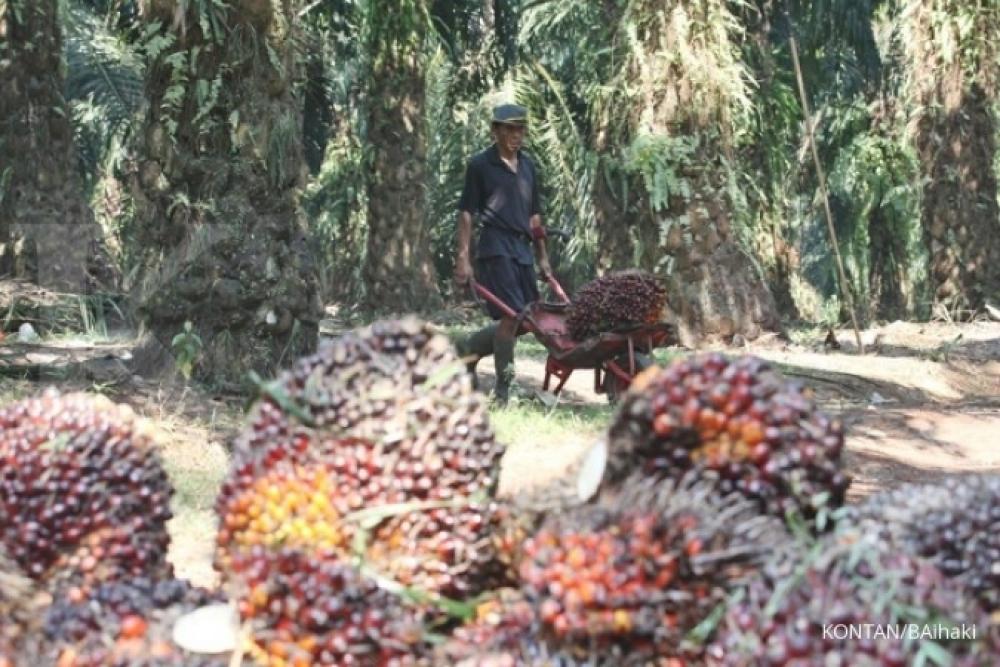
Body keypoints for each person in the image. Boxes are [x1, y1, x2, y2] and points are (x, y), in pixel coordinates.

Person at [454, 103, 552, 405]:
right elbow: (466, 213)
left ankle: (468, 349)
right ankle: (504, 390)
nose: (516, 135)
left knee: (527, 319)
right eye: (509, 129)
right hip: (495, 247)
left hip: (522, 248)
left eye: (520, 129)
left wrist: (542, 257)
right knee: (511, 315)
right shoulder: (480, 165)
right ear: (495, 130)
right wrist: (463, 258)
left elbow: (534, 217)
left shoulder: (528, 166)